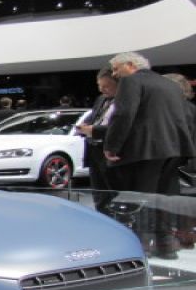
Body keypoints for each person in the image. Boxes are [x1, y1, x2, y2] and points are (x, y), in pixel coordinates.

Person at [103, 51, 196, 195]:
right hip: (174, 149)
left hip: (143, 150)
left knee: (141, 197)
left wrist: (111, 146)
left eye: (116, 68)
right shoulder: (170, 84)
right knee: (166, 195)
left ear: (130, 65)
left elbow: (124, 114)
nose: (114, 74)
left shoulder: (130, 81)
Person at [76, 67, 119, 194]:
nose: (101, 89)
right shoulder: (101, 99)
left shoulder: (124, 101)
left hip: (111, 151)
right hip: (94, 151)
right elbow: (94, 116)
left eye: (106, 86)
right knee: (98, 191)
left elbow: (119, 127)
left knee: (113, 190)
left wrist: (93, 130)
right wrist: (83, 126)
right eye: (99, 85)